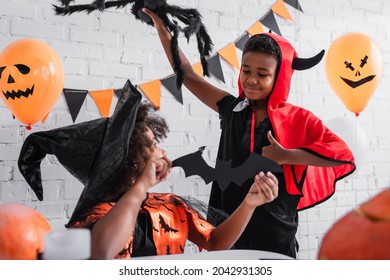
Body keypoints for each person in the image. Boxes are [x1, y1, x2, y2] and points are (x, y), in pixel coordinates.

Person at [142, 7, 356, 258]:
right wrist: (161, 28)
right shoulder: (231, 108)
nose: (251, 80)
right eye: (246, 70)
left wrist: (287, 156)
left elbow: (342, 154)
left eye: (263, 74)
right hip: (226, 231)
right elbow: (187, 74)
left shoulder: (299, 119)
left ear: (281, 76)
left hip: (275, 239)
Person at [18, 79, 279, 260]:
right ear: (132, 160)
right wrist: (141, 186)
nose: (163, 151)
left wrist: (249, 204)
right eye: (153, 145)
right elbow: (102, 251)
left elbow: (216, 243)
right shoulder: (98, 216)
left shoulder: (171, 206)